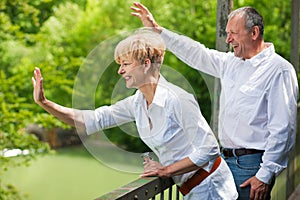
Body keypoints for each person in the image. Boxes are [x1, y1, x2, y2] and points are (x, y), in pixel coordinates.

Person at [32, 30, 238, 199]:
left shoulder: (177, 99)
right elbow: (92, 120)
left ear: (146, 64)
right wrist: (45, 103)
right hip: (191, 190)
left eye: (126, 64)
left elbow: (209, 149)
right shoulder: (137, 102)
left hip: (213, 189)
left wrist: (166, 170)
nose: (120, 71)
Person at [130, 2, 299, 200]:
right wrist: (158, 31)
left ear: (254, 33)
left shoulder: (279, 69)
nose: (228, 40)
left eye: (233, 34)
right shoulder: (231, 63)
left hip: (252, 168)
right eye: (227, 33)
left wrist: (264, 175)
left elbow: (283, 129)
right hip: (224, 164)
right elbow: (197, 53)